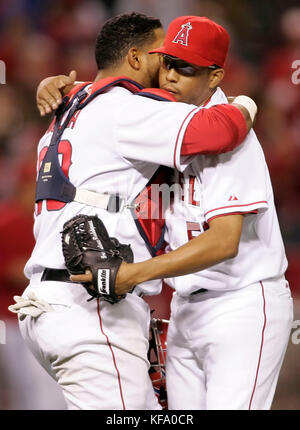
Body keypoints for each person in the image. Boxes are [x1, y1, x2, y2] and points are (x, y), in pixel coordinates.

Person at [9, 13, 256, 410]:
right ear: (137, 59)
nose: (170, 65)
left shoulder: (71, 105)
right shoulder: (128, 108)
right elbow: (220, 131)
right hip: (92, 306)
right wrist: (244, 103)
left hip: (52, 300)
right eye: (162, 55)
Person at [70, 16, 294, 410]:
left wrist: (134, 275)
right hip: (187, 306)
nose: (171, 75)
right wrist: (63, 87)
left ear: (215, 76)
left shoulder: (231, 139)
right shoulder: (163, 123)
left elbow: (223, 242)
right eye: (168, 62)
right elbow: (107, 99)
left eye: (186, 68)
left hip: (241, 303)